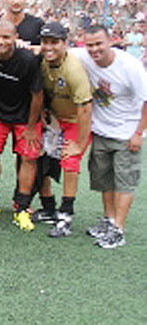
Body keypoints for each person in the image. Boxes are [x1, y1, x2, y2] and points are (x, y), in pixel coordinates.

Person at [76, 25, 147, 249]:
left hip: (127, 133)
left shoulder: (130, 66)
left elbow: (146, 101)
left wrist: (138, 133)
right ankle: (108, 220)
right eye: (90, 45)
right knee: (104, 179)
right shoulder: (84, 56)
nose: (94, 49)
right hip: (101, 131)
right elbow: (54, 49)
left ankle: (118, 229)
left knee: (124, 182)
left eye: (99, 44)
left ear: (110, 41)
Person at [0, 20, 43, 232]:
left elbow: (37, 95)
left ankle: (22, 208)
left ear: (15, 39)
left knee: (28, 159)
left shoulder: (28, 60)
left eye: (6, 37)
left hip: (25, 117)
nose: (1, 42)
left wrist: (31, 126)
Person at [34, 22, 93, 238]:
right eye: (45, 42)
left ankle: (66, 214)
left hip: (76, 121)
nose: (48, 47)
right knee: (38, 157)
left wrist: (78, 142)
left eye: (54, 42)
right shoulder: (43, 61)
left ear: (65, 43)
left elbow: (86, 109)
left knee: (70, 161)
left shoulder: (73, 69)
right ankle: (48, 207)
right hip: (55, 119)